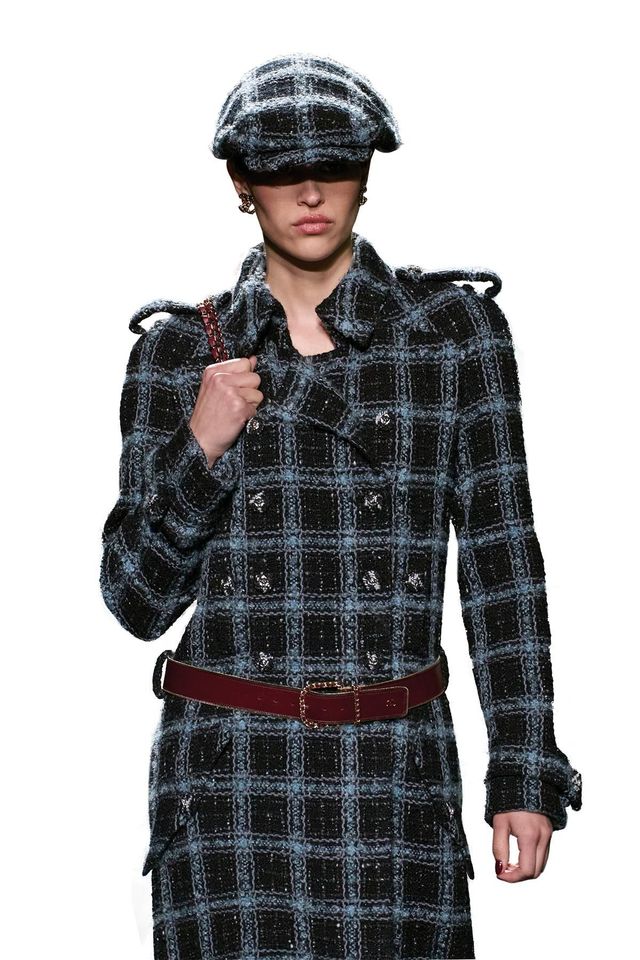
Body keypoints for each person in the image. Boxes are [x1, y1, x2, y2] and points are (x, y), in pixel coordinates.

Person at [99, 53, 582, 960]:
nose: (312, 191)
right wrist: (201, 446)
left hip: (394, 781)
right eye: (282, 168)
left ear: (367, 171)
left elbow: (502, 562)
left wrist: (523, 769)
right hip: (230, 789)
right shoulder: (179, 354)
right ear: (241, 182)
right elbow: (134, 601)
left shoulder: (452, 336)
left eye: (337, 163)